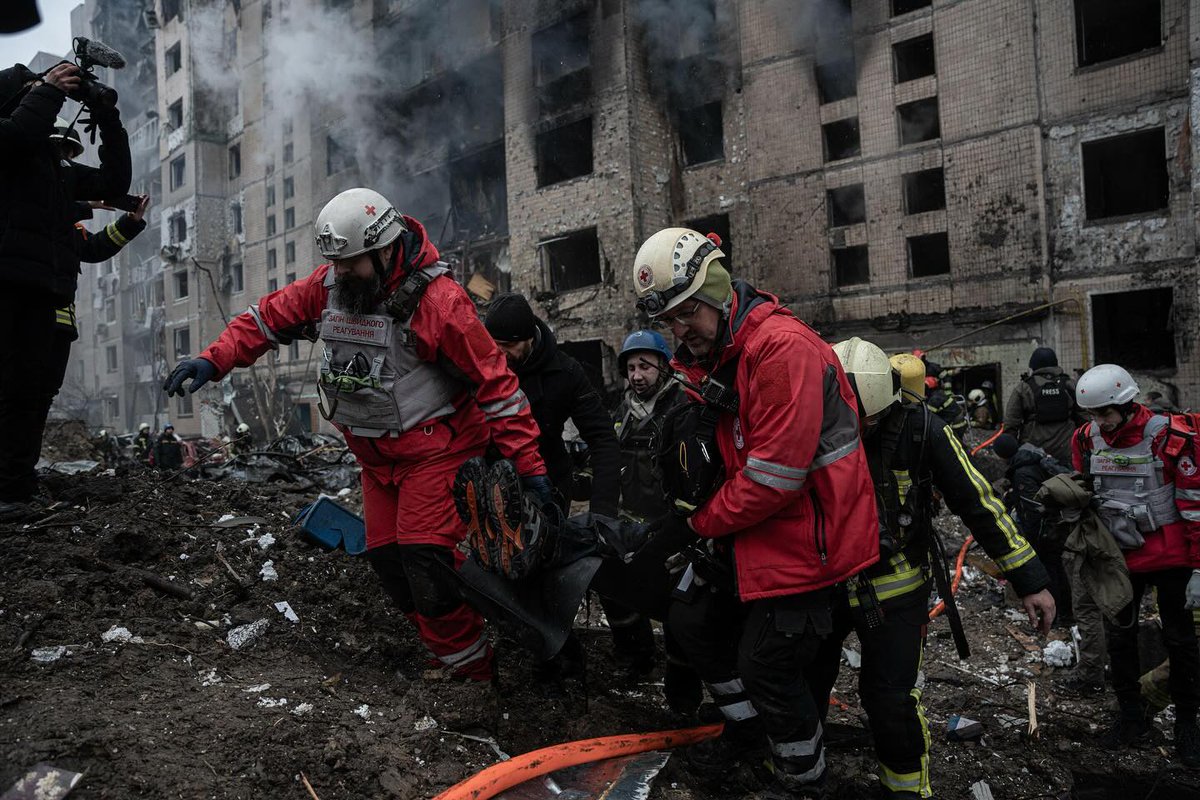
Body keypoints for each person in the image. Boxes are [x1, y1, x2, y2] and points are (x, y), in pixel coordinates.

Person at [163, 188, 549, 683]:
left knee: (427, 560)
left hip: (437, 451)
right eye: (334, 263)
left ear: (386, 249)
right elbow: (266, 319)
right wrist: (212, 360)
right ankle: (452, 654)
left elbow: (498, 387)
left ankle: (474, 674)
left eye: (350, 264)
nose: (339, 273)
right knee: (389, 563)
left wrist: (530, 468)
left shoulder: (441, 303)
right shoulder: (332, 286)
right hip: (377, 460)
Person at [632, 227, 880, 799]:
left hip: (808, 539)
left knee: (766, 661)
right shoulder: (724, 350)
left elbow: (773, 478)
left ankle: (803, 781)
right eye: (669, 319)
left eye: (684, 313)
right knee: (691, 620)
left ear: (716, 292)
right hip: (758, 528)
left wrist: (693, 524)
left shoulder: (779, 349)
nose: (678, 331)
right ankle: (747, 732)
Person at [807, 338, 1055, 799]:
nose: (855, 430)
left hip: (896, 590)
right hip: (824, 585)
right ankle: (804, 777)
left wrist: (1031, 580)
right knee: (804, 683)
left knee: (890, 701)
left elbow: (978, 504)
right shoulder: (807, 424)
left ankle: (904, 791)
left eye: (867, 421)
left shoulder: (923, 429)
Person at [0, 61, 132, 521]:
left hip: (44, 294)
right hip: (8, 286)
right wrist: (49, 89)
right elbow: (15, 136)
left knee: (29, 394)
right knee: (9, 390)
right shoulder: (12, 147)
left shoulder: (54, 171)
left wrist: (108, 120)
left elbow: (115, 185)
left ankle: (15, 489)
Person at [1071, 363, 1200, 765]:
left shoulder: (1171, 437)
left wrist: (1198, 568)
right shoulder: (1087, 439)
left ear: (1128, 404)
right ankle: (1131, 718)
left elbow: (1194, 506)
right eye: (1093, 414)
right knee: (1120, 639)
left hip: (1172, 558)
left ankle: (1187, 725)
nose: (1101, 423)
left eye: (1106, 413)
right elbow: (1084, 491)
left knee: (1180, 642)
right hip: (1119, 558)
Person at [597, 329, 688, 678]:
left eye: (645, 366)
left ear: (663, 367)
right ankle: (637, 660)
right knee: (615, 588)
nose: (637, 375)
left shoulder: (681, 408)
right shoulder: (623, 411)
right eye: (631, 367)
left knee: (674, 604)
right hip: (630, 525)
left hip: (669, 528)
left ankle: (681, 678)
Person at [485, 293, 621, 517]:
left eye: (509, 345)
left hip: (549, 487)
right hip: (493, 486)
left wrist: (602, 516)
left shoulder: (567, 373)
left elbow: (603, 439)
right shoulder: (479, 367)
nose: (500, 354)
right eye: (494, 345)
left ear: (529, 338)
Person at [991, 433, 1072, 624]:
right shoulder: (1031, 457)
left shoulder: (1022, 472)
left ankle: (1058, 616)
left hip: (1046, 530)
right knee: (1057, 569)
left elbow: (1033, 509)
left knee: (1050, 572)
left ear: (1002, 456)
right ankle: (1066, 614)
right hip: (1055, 524)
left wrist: (1031, 538)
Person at [1003, 346, 1084, 464]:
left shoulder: (1024, 388)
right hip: (1067, 454)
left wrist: (1010, 458)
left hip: (1033, 456)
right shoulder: (1069, 384)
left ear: (1033, 366)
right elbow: (1084, 418)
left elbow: (1011, 424)